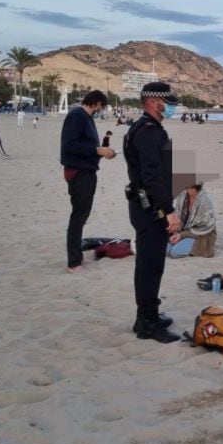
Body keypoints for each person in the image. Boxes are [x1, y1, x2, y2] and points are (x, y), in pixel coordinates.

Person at [124, 82, 182, 343]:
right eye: (167, 102)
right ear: (153, 102)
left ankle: (149, 314)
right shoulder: (148, 132)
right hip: (150, 209)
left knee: (150, 265)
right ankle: (147, 323)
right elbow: (152, 177)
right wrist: (168, 212)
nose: (170, 106)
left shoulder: (146, 128)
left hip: (147, 206)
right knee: (150, 266)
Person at [60, 91, 116, 273]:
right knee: (78, 216)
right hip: (79, 173)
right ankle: (73, 263)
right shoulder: (77, 116)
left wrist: (102, 152)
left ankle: (77, 257)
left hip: (88, 171)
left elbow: (89, 148)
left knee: (82, 216)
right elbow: (70, 145)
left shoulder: (87, 118)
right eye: (102, 107)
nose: (102, 110)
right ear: (97, 103)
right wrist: (97, 150)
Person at [166, 182, 217, 258]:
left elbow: (204, 228)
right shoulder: (183, 195)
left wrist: (182, 235)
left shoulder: (206, 202)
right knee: (166, 250)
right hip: (182, 232)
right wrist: (175, 230)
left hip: (201, 236)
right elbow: (177, 216)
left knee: (175, 253)